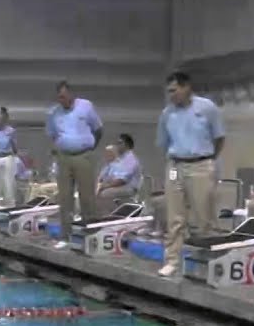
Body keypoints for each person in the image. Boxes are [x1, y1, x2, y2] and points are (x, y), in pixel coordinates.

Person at [156, 71, 225, 277]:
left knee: (204, 216)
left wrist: (209, 159)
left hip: (201, 165)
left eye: (174, 90)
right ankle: (172, 261)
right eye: (168, 91)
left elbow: (219, 137)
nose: (171, 95)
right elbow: (163, 143)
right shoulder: (167, 114)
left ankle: (208, 260)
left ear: (187, 87)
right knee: (175, 217)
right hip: (176, 166)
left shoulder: (207, 108)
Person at [47, 81, 104, 247]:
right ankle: (65, 236)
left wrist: (90, 146)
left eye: (64, 96)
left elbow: (98, 129)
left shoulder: (86, 106)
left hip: (83, 156)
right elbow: (52, 134)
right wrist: (61, 147)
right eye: (59, 97)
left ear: (71, 94)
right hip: (64, 157)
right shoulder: (53, 113)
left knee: (87, 197)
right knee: (65, 198)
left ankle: (90, 234)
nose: (61, 100)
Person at [96, 136, 141, 206]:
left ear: (127, 145)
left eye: (120, 143)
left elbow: (122, 180)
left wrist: (105, 186)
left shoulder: (130, 159)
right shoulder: (120, 159)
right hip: (116, 185)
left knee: (105, 193)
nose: (117, 145)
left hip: (128, 187)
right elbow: (105, 176)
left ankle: (107, 213)